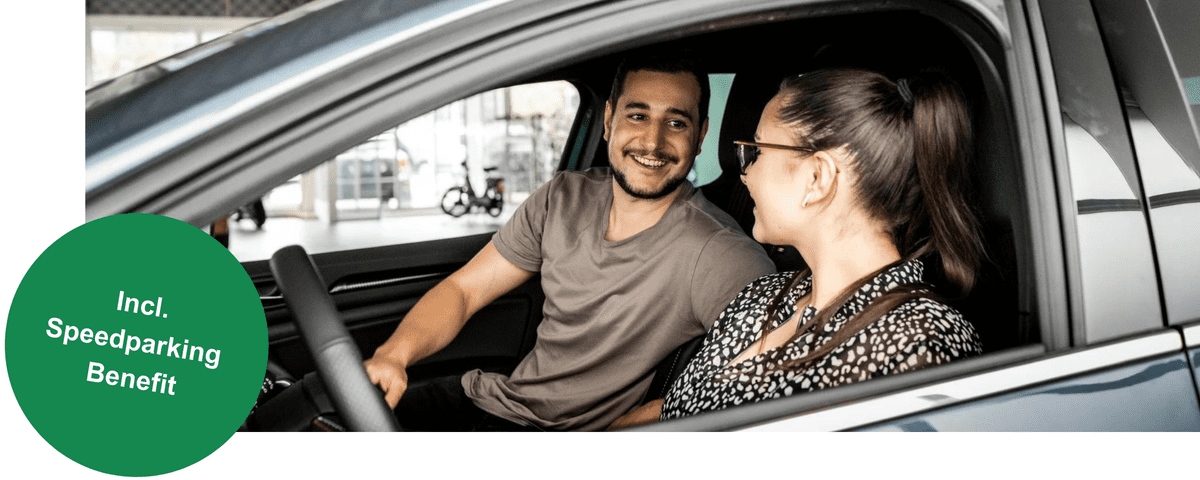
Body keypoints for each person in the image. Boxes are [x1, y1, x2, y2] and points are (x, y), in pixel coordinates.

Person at [362, 54, 776, 431]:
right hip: (491, 400)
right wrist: (394, 356)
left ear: (701, 134)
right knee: (333, 414)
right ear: (609, 119)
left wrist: (619, 435)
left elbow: (755, 384)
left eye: (676, 122)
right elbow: (464, 290)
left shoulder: (721, 253)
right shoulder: (562, 197)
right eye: (637, 116)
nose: (652, 142)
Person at [609, 68, 984, 428]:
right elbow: (677, 411)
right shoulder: (763, 295)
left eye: (757, 152)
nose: (746, 173)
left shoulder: (921, 344)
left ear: (817, 178)